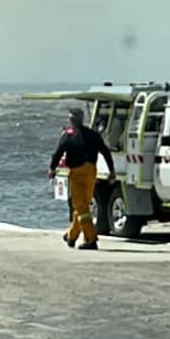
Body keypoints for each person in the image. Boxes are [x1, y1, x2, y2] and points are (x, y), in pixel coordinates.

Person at [49, 106, 117, 250]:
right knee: (83, 206)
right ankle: (71, 235)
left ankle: (90, 239)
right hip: (91, 172)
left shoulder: (68, 135)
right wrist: (111, 171)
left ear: (71, 119)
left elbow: (58, 153)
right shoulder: (93, 134)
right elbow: (105, 152)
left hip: (77, 173)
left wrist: (52, 169)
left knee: (81, 207)